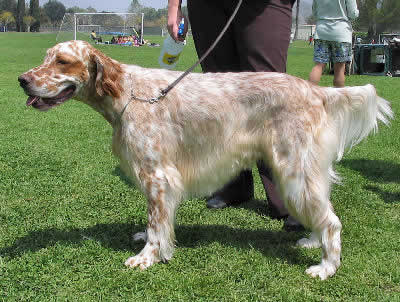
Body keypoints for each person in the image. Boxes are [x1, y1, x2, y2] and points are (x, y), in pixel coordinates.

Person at [167, 0, 303, 231]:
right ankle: (233, 184)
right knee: (222, 95)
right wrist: (173, 6)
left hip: (263, 5)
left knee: (268, 93)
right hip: (207, 6)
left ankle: (292, 196)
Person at [308, 0, 359, 88]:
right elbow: (353, 14)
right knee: (339, 69)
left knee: (319, 66)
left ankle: (308, 97)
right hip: (341, 32)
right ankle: (338, 99)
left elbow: (315, 12)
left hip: (322, 31)